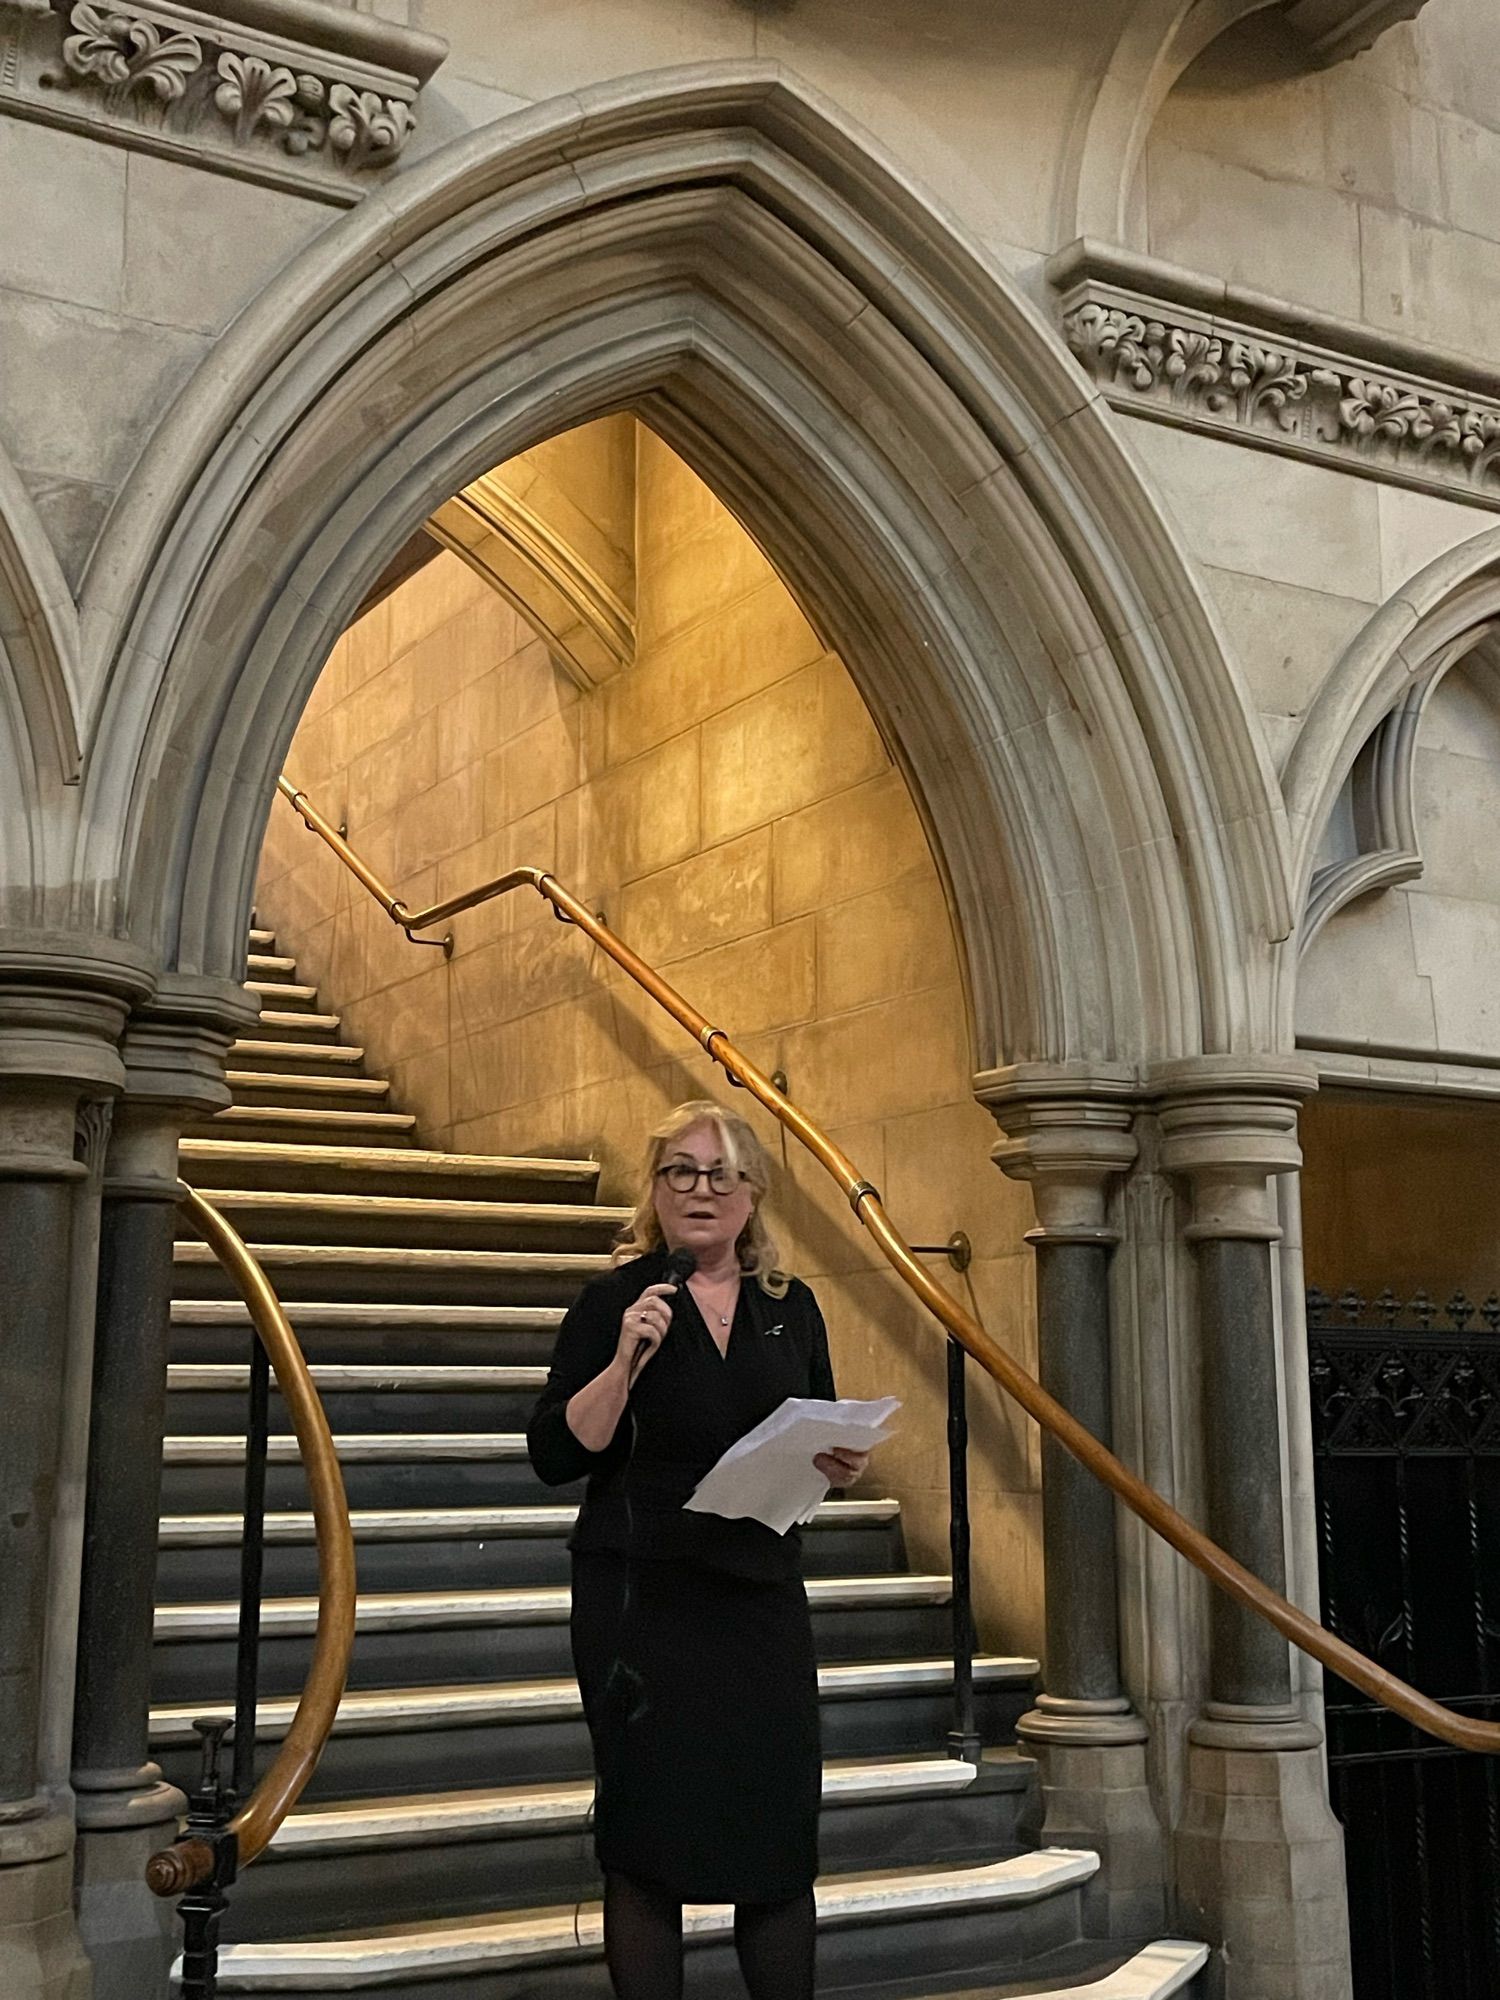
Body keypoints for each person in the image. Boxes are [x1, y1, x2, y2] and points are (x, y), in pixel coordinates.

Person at [526, 1099, 872, 2000]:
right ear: (656, 1189)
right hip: (642, 1605)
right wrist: (622, 1363)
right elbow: (557, 1455)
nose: (700, 1189)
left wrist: (842, 1466)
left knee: (775, 1840)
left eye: (722, 1173)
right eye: (680, 1170)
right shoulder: (615, 1302)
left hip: (757, 1600)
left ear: (753, 1194)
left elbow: (820, 1427)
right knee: (647, 1850)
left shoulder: (791, 1308)